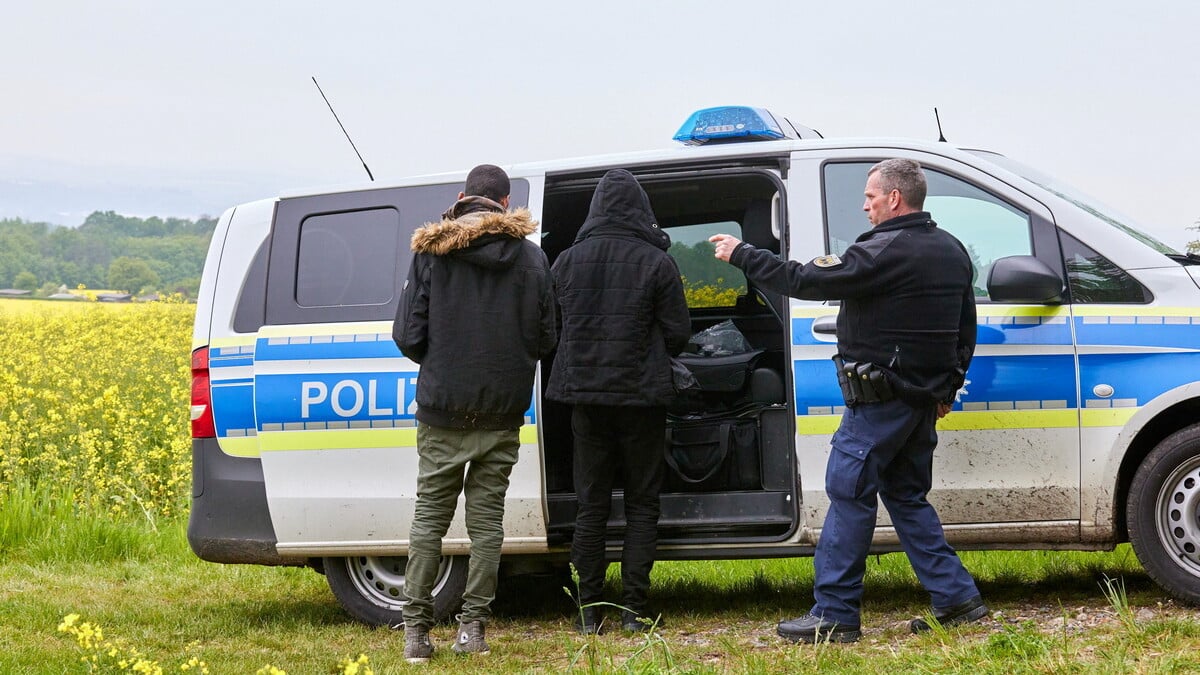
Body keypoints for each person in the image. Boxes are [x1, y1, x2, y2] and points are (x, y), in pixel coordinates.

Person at [710, 158, 987, 644]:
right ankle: (956, 597)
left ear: (895, 198)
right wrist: (946, 388)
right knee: (905, 496)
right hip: (921, 403)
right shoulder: (952, 250)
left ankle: (834, 612)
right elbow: (966, 328)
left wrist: (742, 255)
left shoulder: (884, 250)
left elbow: (806, 280)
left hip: (879, 402)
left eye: (870, 197)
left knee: (849, 493)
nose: (865, 206)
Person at [393, 164, 557, 663]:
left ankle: (417, 633)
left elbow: (408, 335)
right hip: (502, 411)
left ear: (463, 198)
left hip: (442, 410)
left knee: (429, 521)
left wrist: (445, 363)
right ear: (506, 205)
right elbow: (547, 338)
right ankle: (473, 630)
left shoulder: (431, 253)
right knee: (487, 524)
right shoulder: (531, 259)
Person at [546, 168, 691, 634]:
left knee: (591, 506)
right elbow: (678, 334)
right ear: (641, 209)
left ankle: (589, 610)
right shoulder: (657, 262)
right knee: (642, 503)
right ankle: (634, 609)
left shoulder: (565, 261)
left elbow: (551, 330)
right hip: (642, 401)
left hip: (585, 402)